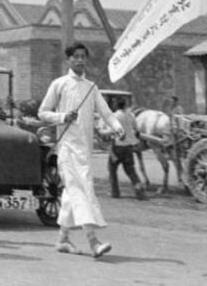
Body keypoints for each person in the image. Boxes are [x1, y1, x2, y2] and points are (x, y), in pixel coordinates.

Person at [38, 42, 124, 258]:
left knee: (71, 195)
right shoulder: (60, 84)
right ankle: (93, 241)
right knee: (80, 192)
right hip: (66, 150)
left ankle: (63, 239)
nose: (79, 60)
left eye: (83, 56)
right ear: (68, 60)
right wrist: (62, 117)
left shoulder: (91, 87)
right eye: (75, 56)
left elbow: (106, 112)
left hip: (85, 151)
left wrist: (117, 127)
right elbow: (43, 112)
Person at [106, 97, 146, 201]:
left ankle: (115, 192)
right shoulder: (131, 116)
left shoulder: (114, 116)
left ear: (116, 105)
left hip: (117, 147)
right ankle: (139, 190)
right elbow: (137, 131)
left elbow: (111, 132)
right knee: (131, 172)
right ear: (125, 105)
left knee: (112, 170)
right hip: (128, 148)